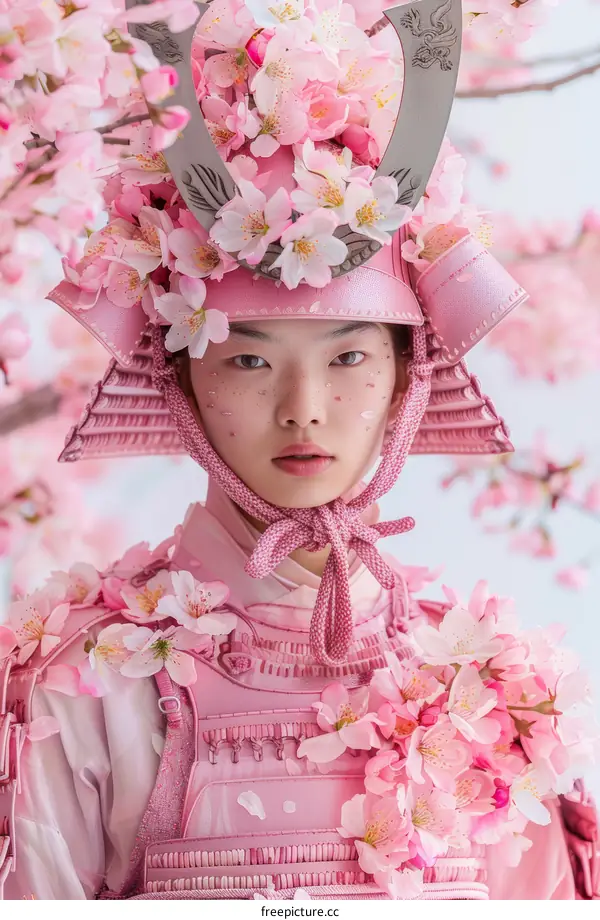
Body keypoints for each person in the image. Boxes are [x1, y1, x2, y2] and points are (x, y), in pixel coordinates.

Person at [0, 0, 598, 901]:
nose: (303, 409)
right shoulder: (94, 678)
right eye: (247, 359)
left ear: (408, 378)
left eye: (350, 356)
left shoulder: (487, 682)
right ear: (181, 378)